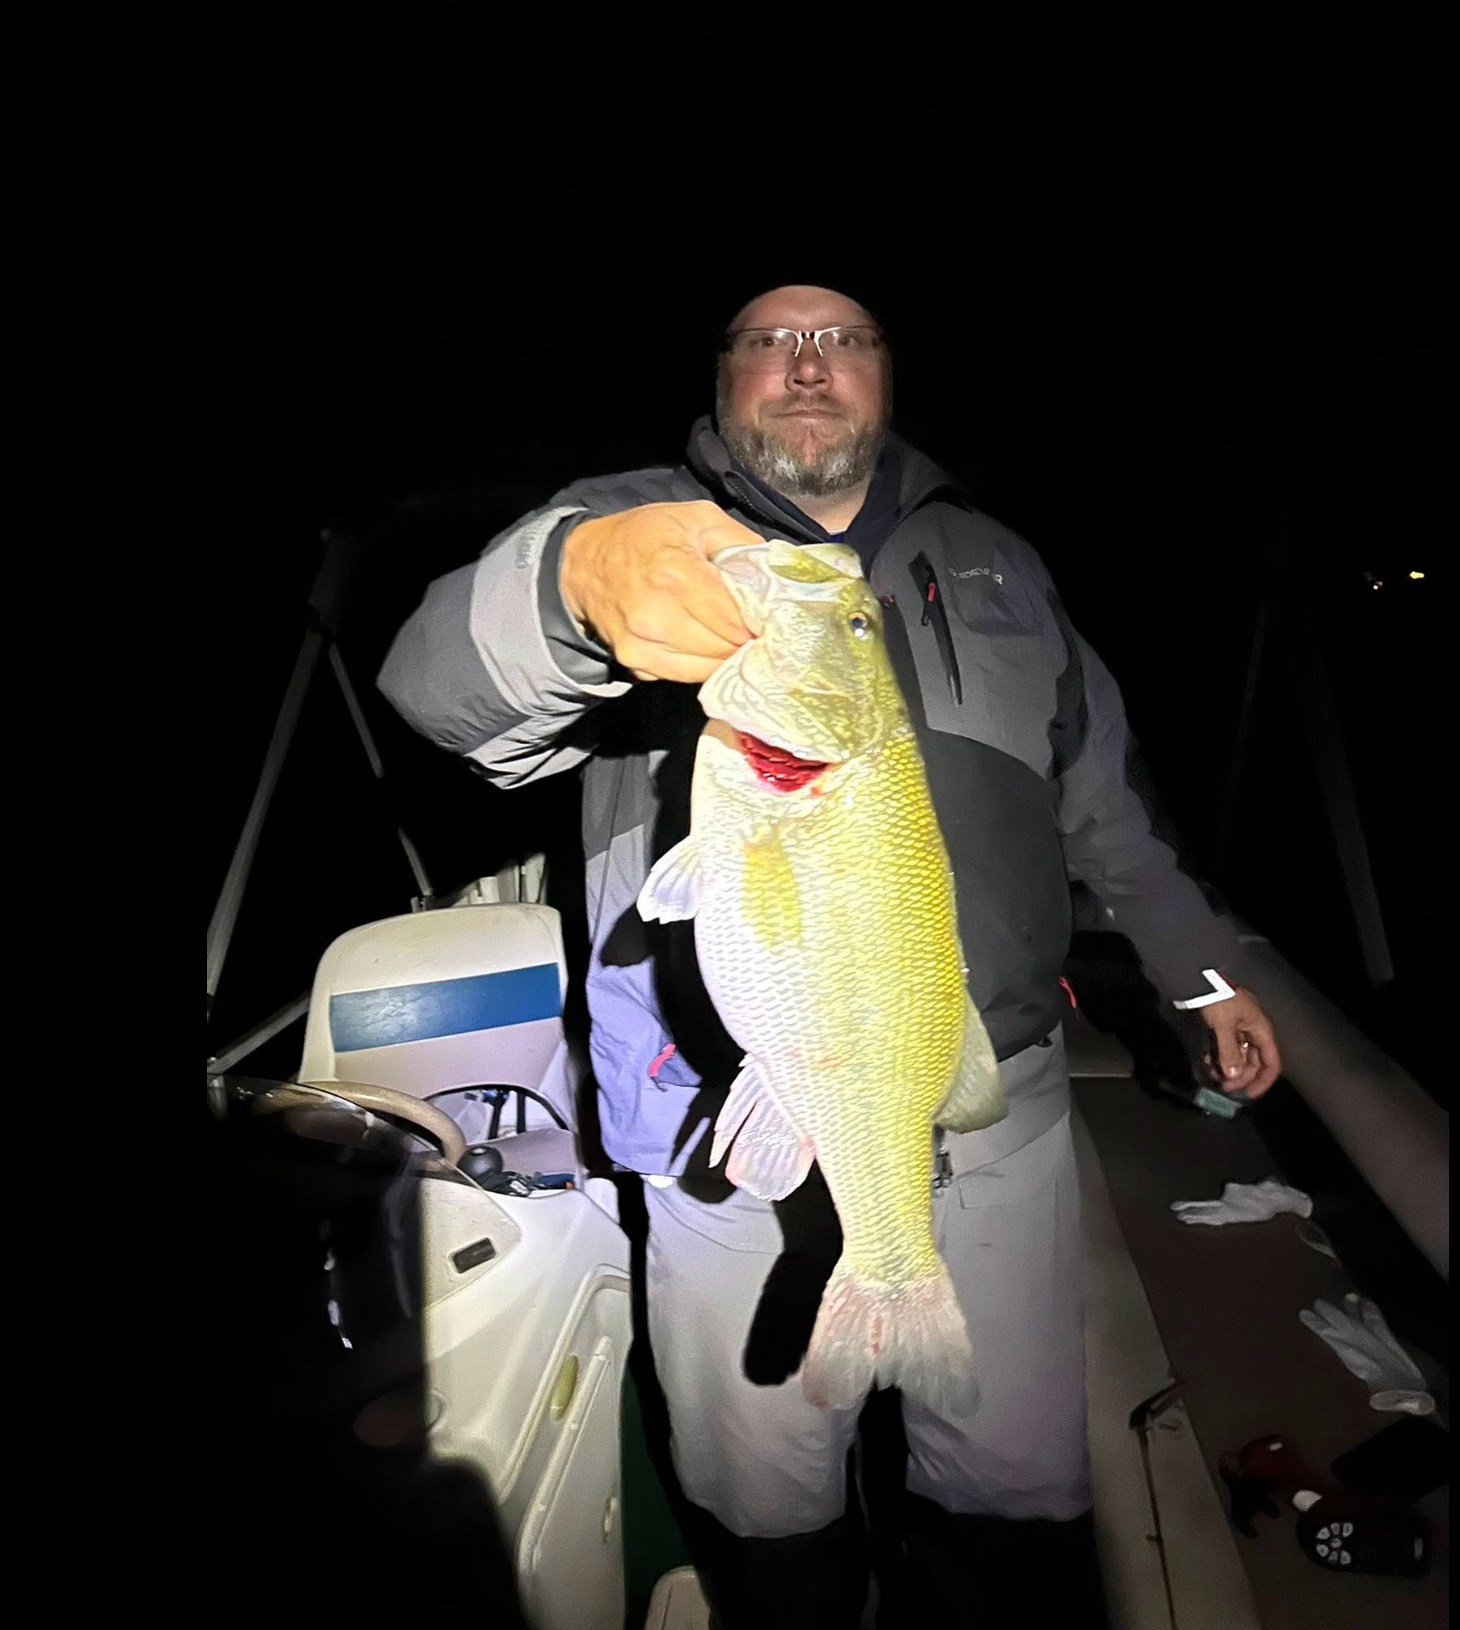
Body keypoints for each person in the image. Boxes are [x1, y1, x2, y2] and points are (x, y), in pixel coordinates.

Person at [378, 283, 1282, 1628]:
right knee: (763, 1486)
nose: (807, 364)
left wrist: (1204, 966)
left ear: (885, 375)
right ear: (723, 375)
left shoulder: (997, 560)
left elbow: (1108, 801)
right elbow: (433, 682)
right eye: (769, 340)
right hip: (713, 1117)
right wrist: (573, 586)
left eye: (841, 339)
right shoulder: (627, 524)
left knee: (1017, 1483)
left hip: (996, 1104)